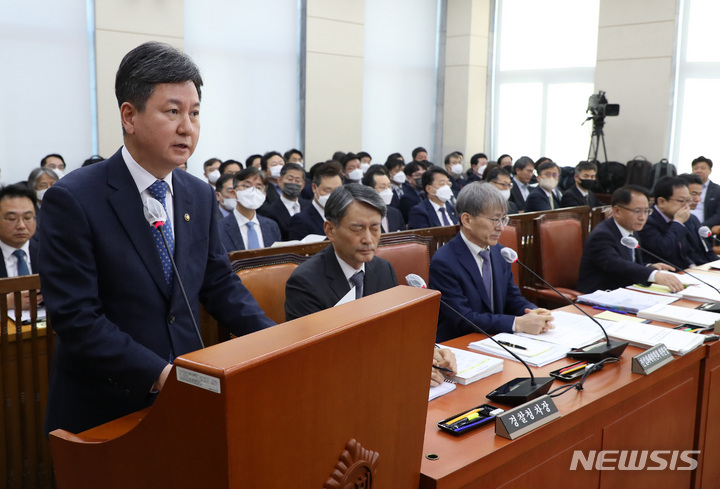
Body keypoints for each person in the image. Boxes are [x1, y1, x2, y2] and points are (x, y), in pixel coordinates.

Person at [39, 41, 275, 435]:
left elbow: (219, 283)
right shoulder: (74, 198)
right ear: (129, 116)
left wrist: (275, 340)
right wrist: (161, 374)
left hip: (187, 398)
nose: (188, 126)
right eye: (173, 112)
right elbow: (76, 318)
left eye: (195, 113)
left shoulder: (198, 194)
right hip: (108, 407)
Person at [285, 183, 456, 383]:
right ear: (330, 230)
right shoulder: (305, 282)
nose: (368, 239)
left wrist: (430, 354)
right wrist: (403, 370)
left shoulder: (383, 269)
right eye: (357, 229)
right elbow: (316, 359)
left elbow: (395, 332)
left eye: (375, 229)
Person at [430, 183, 554, 342]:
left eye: (503, 219)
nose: (501, 227)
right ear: (467, 220)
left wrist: (534, 313)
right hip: (461, 344)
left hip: (497, 339)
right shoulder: (444, 261)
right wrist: (517, 323)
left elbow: (512, 298)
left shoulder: (500, 253)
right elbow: (463, 318)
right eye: (495, 219)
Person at [578, 185, 684, 293]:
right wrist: (653, 275)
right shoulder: (601, 235)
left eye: (646, 211)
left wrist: (649, 266)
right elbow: (617, 264)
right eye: (637, 211)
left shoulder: (631, 230)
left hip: (627, 291)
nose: (642, 217)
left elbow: (629, 261)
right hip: (600, 295)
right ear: (617, 211)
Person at [639, 176, 697, 269]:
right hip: (660, 275)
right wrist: (678, 222)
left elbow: (685, 252)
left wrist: (692, 265)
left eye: (688, 201)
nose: (686, 206)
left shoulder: (679, 218)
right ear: (661, 201)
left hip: (685, 272)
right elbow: (665, 250)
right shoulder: (647, 221)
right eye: (681, 201)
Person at [219, 167, 281, 251]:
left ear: (264, 195)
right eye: (246, 186)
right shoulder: (219, 228)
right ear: (234, 193)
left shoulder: (271, 226)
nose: (252, 191)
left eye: (258, 188)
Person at [287, 161, 343, 240]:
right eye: (327, 190)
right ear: (314, 188)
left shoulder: (344, 216)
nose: (332, 196)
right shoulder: (301, 220)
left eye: (336, 191)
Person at [257, 163, 311, 240]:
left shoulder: (309, 206)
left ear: (302, 185)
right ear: (279, 181)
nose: (293, 183)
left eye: (297, 180)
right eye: (290, 179)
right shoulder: (269, 211)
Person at [679, 173, 719, 265]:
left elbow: (707, 249)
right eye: (694, 194)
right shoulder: (676, 221)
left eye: (700, 194)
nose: (698, 199)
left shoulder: (693, 219)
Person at [361, 165, 405, 232]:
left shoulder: (395, 213)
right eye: (382, 187)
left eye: (389, 186)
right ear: (370, 190)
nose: (388, 191)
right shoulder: (362, 215)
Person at [691, 156, 720, 228]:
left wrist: (701, 226)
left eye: (703, 168)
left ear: (710, 171)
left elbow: (718, 215)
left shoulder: (717, 190)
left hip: (704, 227)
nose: (699, 171)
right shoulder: (685, 187)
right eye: (696, 168)